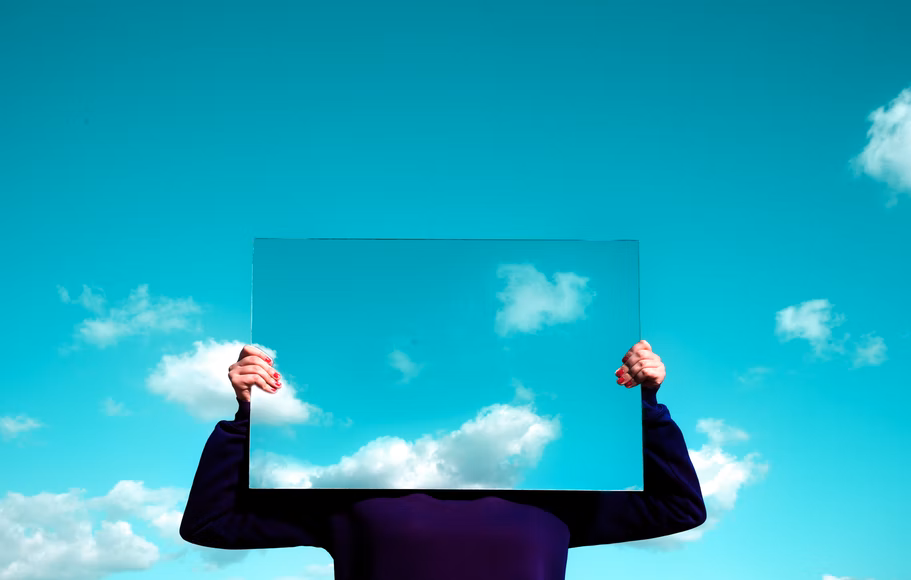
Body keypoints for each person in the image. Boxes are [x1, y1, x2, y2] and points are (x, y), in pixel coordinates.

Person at [180, 340, 706, 580]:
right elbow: (210, 522)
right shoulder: (349, 499)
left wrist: (643, 406)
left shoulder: (555, 496)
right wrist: (248, 418)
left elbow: (679, 508)